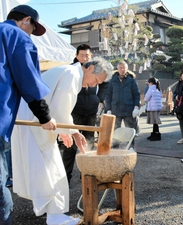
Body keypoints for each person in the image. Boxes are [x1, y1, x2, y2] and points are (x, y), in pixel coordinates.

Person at [11, 56, 113, 225]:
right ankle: (55, 216)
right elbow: (60, 107)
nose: (94, 85)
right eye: (95, 80)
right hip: (34, 123)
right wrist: (72, 132)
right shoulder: (72, 74)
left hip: (35, 121)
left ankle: (54, 215)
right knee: (51, 170)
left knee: (50, 170)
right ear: (89, 68)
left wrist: (70, 131)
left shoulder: (69, 72)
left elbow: (58, 108)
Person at [0, 5, 57, 224]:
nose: (32, 33)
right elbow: (29, 81)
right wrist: (45, 116)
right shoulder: (17, 36)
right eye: (33, 28)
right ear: (26, 20)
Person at [61, 44, 109, 185]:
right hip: (75, 111)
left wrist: (99, 98)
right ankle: (66, 177)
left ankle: (87, 176)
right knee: (70, 145)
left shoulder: (95, 69)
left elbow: (105, 83)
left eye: (87, 55)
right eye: (82, 55)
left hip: (91, 110)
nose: (84, 58)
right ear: (76, 56)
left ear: (91, 56)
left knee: (88, 143)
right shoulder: (72, 71)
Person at [105, 61, 140, 132]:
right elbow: (108, 95)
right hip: (115, 109)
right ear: (117, 69)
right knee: (115, 132)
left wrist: (136, 107)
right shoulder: (112, 81)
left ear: (127, 69)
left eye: (124, 68)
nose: (122, 69)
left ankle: (131, 143)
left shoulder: (131, 80)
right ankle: (115, 143)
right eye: (120, 68)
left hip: (129, 110)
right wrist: (108, 109)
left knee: (130, 131)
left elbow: (136, 94)